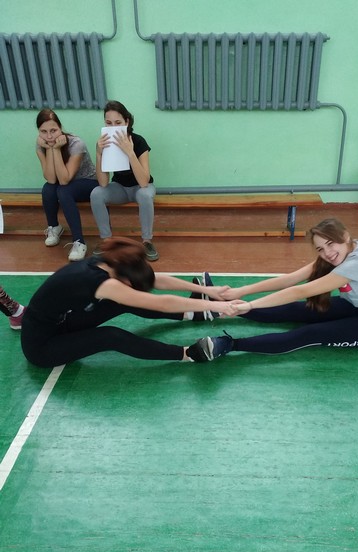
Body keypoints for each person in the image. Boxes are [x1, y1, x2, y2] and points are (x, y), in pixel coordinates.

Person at [190, 217, 358, 361]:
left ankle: (229, 345)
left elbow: (300, 290)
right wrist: (241, 292)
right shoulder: (345, 249)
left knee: (309, 334)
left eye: (330, 244)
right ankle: (219, 307)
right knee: (295, 310)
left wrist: (250, 304)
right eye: (320, 249)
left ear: (344, 237)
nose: (327, 253)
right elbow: (292, 280)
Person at [20, 237, 238, 368]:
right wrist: (214, 305)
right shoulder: (102, 283)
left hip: (64, 322)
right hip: (43, 346)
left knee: (120, 302)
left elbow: (154, 279)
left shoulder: (108, 262)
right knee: (110, 336)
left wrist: (206, 290)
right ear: (124, 279)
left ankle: (193, 314)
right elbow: (160, 303)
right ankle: (187, 354)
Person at [90, 100, 159, 262]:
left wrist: (130, 152)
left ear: (126, 122)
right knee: (96, 193)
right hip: (120, 188)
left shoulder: (139, 141)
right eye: (108, 123)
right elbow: (103, 183)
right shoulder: (105, 143)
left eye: (118, 122)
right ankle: (106, 240)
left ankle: (147, 241)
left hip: (141, 188)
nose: (113, 127)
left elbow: (144, 182)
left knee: (144, 194)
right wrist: (99, 153)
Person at [35, 108, 98, 261]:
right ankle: (54, 227)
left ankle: (79, 242)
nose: (49, 136)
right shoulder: (41, 145)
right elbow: (51, 179)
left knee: (63, 190)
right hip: (64, 185)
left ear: (60, 128)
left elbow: (64, 179)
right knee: (48, 189)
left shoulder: (76, 144)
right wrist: (49, 149)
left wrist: (56, 149)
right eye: (44, 131)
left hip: (88, 183)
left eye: (53, 130)